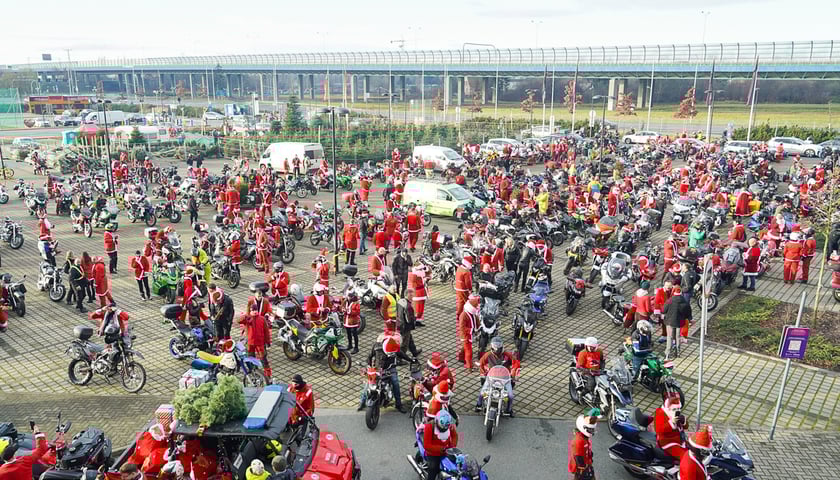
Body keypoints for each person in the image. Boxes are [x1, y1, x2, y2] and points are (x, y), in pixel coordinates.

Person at [358, 335, 410, 413]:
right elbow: (369, 357)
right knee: (368, 384)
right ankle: (362, 402)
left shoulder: (394, 347)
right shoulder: (376, 346)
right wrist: (369, 366)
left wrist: (411, 360)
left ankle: (398, 404)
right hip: (377, 369)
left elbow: (402, 355)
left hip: (390, 369)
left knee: (395, 383)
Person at [474, 337, 518, 416]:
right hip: (491, 377)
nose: (497, 349)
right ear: (492, 346)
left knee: (510, 396)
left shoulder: (507, 355)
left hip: (505, 378)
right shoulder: (488, 354)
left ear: (502, 346)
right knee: (482, 393)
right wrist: (483, 373)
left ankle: (509, 410)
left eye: (498, 346)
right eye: (495, 346)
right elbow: (481, 363)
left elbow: (516, 363)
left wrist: (513, 373)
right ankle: (478, 405)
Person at [238, 301, 272, 380]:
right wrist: (246, 316)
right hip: (250, 343)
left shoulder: (262, 319)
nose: (254, 312)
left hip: (260, 343)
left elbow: (266, 331)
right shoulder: (247, 319)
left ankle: (268, 374)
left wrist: (268, 342)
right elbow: (239, 321)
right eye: (253, 310)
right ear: (250, 311)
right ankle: (254, 372)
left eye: (255, 310)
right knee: (251, 358)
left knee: (263, 359)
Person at [420, 411, 459, 480]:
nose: (443, 429)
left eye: (445, 428)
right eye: (442, 427)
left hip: (447, 450)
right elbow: (426, 445)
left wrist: (452, 447)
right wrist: (441, 448)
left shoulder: (449, 425)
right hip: (433, 453)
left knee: (457, 465)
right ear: (437, 421)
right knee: (433, 468)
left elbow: (455, 436)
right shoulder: (429, 427)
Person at [654, 396, 687, 460]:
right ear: (668, 408)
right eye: (674, 409)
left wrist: (684, 421)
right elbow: (659, 431)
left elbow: (685, 427)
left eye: (678, 409)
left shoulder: (674, 413)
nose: (677, 411)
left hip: (680, 439)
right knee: (685, 457)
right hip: (668, 441)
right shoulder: (660, 414)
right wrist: (671, 422)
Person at [663, 286, 691, 360]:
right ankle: (678, 352)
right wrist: (688, 318)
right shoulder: (684, 301)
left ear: (674, 292)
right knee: (677, 337)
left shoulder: (670, 300)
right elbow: (688, 312)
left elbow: (663, 310)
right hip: (679, 322)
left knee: (670, 337)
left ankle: (667, 353)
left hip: (670, 322)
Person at [568, 412, 597, 480]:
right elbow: (578, 459)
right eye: (590, 429)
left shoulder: (584, 437)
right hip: (581, 470)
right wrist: (585, 469)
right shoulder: (578, 441)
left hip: (586, 465)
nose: (592, 431)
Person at [458, 294, 480, 370]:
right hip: (465, 336)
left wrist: (479, 327)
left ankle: (461, 358)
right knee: (469, 352)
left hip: (470, 334)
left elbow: (477, 321)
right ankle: (469, 366)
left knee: (465, 348)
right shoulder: (463, 315)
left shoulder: (473, 314)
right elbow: (462, 327)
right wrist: (472, 330)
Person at [397, 290, 421, 357]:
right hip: (405, 327)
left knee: (410, 339)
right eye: (411, 296)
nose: (412, 297)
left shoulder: (400, 301)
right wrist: (415, 317)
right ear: (408, 296)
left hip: (399, 323)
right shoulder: (408, 306)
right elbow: (409, 320)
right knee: (404, 343)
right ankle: (400, 358)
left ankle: (414, 351)